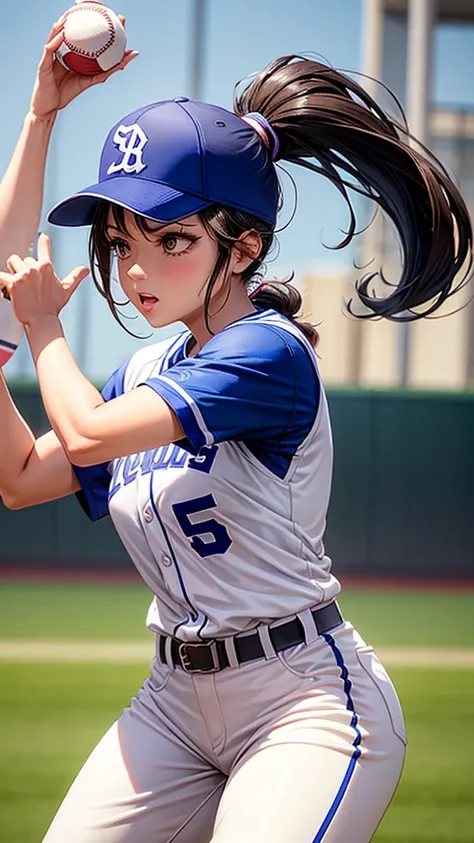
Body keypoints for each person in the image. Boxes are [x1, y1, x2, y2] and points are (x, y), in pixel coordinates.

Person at [0, 13, 471, 843]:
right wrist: (41, 119)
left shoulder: (269, 353)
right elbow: (20, 479)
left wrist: (40, 329)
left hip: (305, 703)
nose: (135, 267)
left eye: (170, 237)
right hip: (173, 704)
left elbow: (78, 436)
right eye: (120, 241)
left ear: (244, 246)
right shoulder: (142, 375)